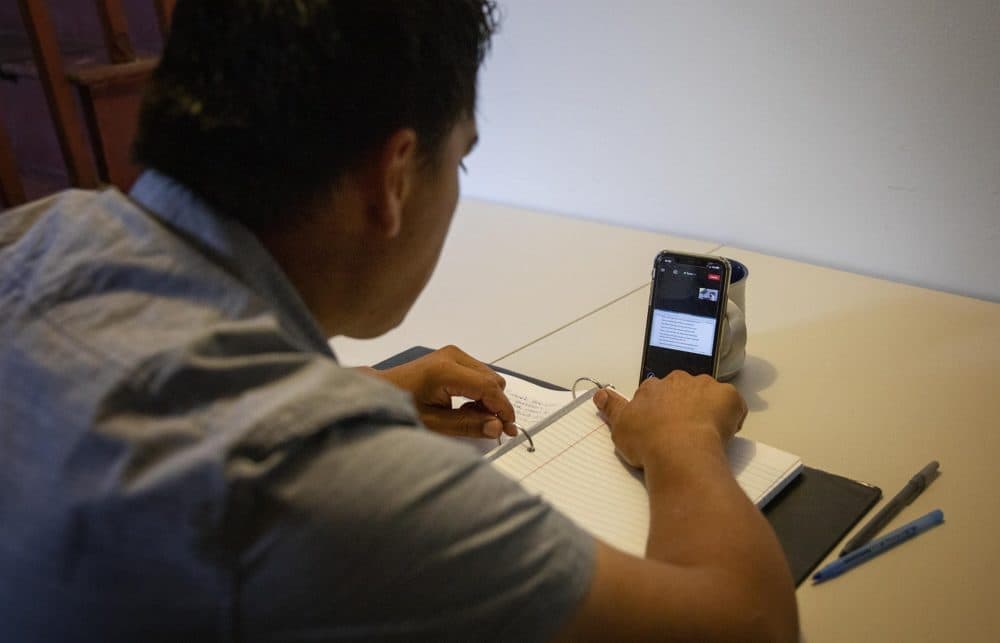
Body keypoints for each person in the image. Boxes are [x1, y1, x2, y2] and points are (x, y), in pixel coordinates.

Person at [0, 2, 798, 641]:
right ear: (392, 179)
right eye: (461, 160)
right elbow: (749, 625)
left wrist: (358, 389)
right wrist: (683, 444)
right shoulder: (317, 479)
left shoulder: (39, 233)